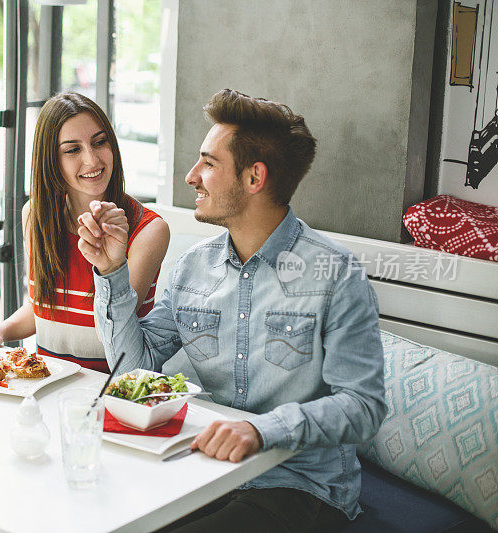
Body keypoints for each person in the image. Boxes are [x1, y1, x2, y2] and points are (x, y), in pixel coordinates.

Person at [79, 89, 386, 531]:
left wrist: (263, 430)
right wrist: (111, 272)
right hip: (204, 473)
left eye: (208, 163)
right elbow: (132, 371)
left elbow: (363, 406)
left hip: (301, 488)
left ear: (254, 178)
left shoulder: (335, 276)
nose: (191, 176)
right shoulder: (193, 269)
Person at [0, 92, 170, 373]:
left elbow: (113, 329)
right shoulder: (35, 216)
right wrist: (0, 330)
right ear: (51, 160)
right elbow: (45, 308)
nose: (92, 159)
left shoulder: (148, 230)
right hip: (46, 385)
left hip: (114, 394)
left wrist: (111, 265)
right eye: (73, 150)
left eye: (100, 142)